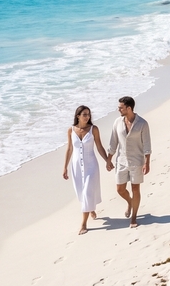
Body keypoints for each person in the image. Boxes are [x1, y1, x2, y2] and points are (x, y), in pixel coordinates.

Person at [62, 105, 112, 235]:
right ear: (78, 116)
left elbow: (99, 147)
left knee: (87, 192)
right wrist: (65, 167)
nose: (87, 117)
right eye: (84, 114)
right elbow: (69, 149)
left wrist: (107, 160)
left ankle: (83, 224)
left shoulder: (93, 129)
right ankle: (90, 209)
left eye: (88, 114)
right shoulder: (71, 130)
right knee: (81, 192)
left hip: (91, 166)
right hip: (76, 166)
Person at [108, 96, 151, 228]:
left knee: (135, 189)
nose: (118, 109)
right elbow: (113, 142)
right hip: (121, 161)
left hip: (137, 161)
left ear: (129, 108)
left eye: (120, 107)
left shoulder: (142, 123)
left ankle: (134, 217)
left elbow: (147, 145)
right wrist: (108, 159)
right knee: (120, 189)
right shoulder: (117, 122)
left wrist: (147, 162)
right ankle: (130, 203)